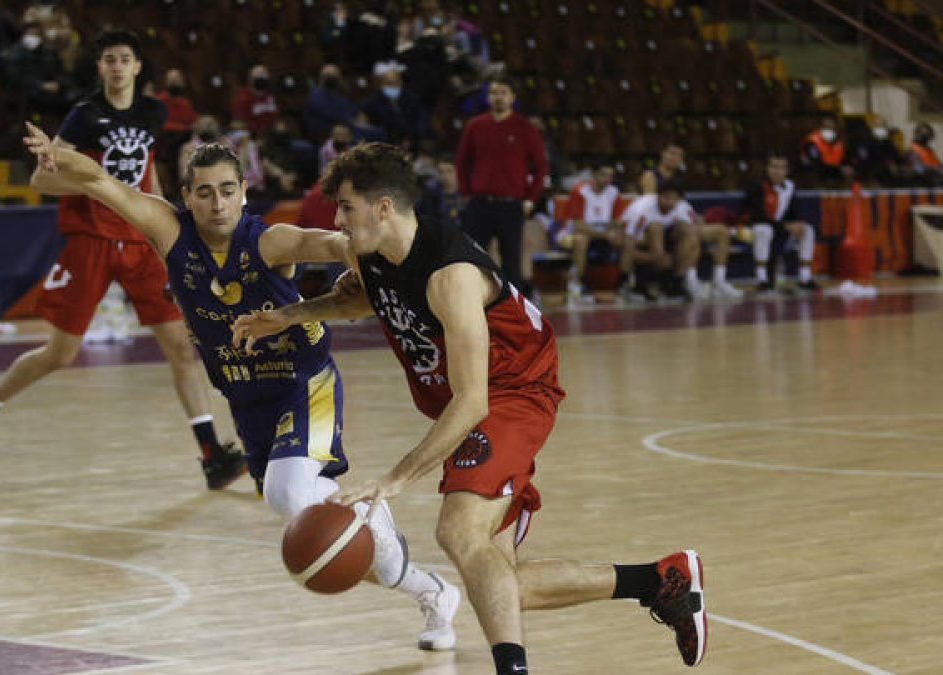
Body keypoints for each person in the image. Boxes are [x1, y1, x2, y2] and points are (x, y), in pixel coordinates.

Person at [231, 143, 707, 674]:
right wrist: (288, 315)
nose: (337, 219)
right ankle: (663, 580)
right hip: (479, 398)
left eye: (345, 206)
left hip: (512, 392)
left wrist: (393, 480)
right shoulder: (375, 253)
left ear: (383, 206)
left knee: (456, 531)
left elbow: (473, 400)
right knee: (498, 582)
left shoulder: (448, 274)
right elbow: (368, 301)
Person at [21, 125, 463, 651]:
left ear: (244, 192)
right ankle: (428, 589)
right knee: (311, 521)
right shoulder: (170, 232)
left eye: (228, 190)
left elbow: (332, 243)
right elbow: (100, 182)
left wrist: (359, 269)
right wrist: (60, 155)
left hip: (304, 382)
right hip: (245, 397)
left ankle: (379, 519)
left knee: (289, 493)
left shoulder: (267, 240)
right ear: (186, 197)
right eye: (203, 192)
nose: (216, 202)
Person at [0, 30, 246, 490]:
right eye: (108, 58)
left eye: (124, 58)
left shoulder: (153, 112)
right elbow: (42, 182)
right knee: (61, 354)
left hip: (137, 240)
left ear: (137, 67)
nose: (116, 66)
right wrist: (96, 184)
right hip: (91, 239)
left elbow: (147, 174)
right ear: (99, 67)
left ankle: (212, 455)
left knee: (181, 348)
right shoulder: (84, 115)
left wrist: (169, 227)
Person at [455, 75, 549, 295]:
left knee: (511, 260)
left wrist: (530, 199)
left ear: (512, 97)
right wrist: (466, 192)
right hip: (479, 203)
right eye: (494, 93)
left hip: (511, 205)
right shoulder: (475, 126)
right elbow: (461, 161)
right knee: (472, 257)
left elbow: (541, 167)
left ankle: (513, 308)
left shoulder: (525, 128)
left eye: (503, 93)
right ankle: (473, 301)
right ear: (488, 97)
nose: (498, 98)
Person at [622, 180, 742, 301]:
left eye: (673, 198)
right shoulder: (642, 210)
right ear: (658, 196)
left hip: (669, 241)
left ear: (679, 199)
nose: (669, 202)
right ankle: (628, 284)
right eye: (666, 197)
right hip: (642, 241)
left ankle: (711, 281)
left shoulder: (682, 207)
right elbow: (627, 245)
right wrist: (655, 257)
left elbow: (696, 228)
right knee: (655, 227)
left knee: (716, 232)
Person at [557, 159, 632, 305]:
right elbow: (578, 225)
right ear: (594, 175)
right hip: (570, 233)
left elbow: (616, 221)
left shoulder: (613, 192)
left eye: (610, 176)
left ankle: (623, 284)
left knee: (628, 240)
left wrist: (615, 231)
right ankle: (577, 284)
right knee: (581, 240)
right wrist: (606, 233)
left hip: (601, 233)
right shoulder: (580, 191)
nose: (607, 180)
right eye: (603, 175)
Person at [741, 152, 819, 293]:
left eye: (782, 168)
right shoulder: (756, 186)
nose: (778, 171)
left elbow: (795, 210)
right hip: (749, 230)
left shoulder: (790, 187)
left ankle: (805, 277)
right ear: (767, 168)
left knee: (807, 230)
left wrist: (797, 223)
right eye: (774, 167)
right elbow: (756, 217)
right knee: (764, 230)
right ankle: (761, 279)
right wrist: (784, 226)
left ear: (787, 170)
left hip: (778, 229)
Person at [908, 122, 942, 187]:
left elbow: (937, 163)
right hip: (924, 182)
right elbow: (919, 169)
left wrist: (939, 168)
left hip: (934, 178)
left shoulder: (928, 150)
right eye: (925, 136)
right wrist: (934, 168)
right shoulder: (913, 150)